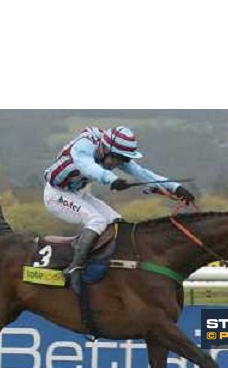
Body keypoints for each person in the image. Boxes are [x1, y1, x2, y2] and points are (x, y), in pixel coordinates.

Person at [44, 126, 195, 294]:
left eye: (124, 159)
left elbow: (144, 174)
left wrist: (176, 188)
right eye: (119, 158)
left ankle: (109, 268)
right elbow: (88, 167)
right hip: (56, 195)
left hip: (79, 194)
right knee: (97, 220)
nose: (120, 163)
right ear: (105, 150)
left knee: (118, 223)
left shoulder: (113, 153)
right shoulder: (83, 147)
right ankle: (74, 269)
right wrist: (112, 179)